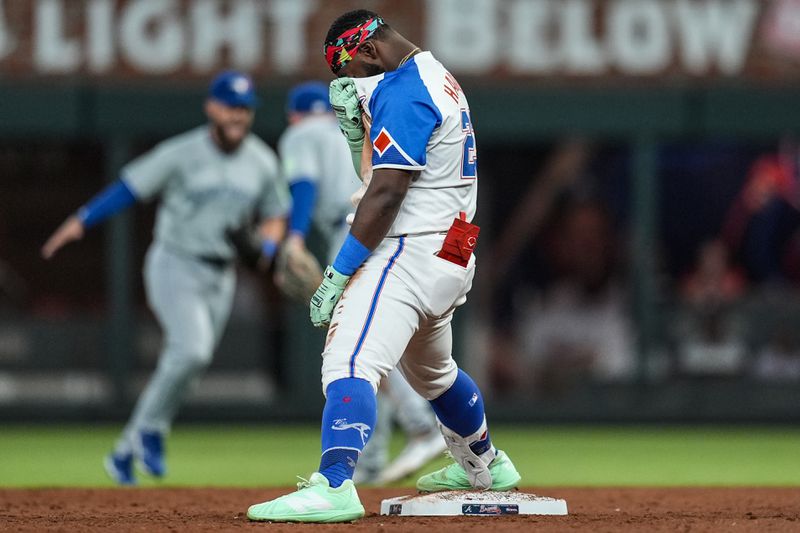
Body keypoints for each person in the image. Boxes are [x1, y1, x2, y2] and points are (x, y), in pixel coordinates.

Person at [247, 10, 520, 523]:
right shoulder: (435, 75)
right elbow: (388, 173)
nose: (356, 84)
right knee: (434, 372)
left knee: (348, 362)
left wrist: (339, 272)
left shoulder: (406, 88)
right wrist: (357, 138)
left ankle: (333, 486)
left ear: (368, 52)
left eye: (352, 71)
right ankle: (484, 463)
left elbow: (388, 192)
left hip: (408, 250)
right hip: (454, 250)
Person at [41, 71, 290, 485]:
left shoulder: (261, 160)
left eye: (244, 109)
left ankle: (124, 451)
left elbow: (276, 214)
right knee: (190, 351)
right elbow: (129, 187)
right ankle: (152, 432)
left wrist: (268, 246)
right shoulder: (181, 152)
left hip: (221, 274)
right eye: (231, 106)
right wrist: (81, 220)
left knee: (191, 361)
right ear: (212, 106)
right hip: (176, 263)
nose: (238, 116)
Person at [279, 81, 446, 486]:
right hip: (392, 228)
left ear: (294, 115)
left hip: (352, 231)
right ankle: (371, 459)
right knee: (377, 345)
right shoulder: (353, 130)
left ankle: (422, 427)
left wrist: (295, 236)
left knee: (356, 344)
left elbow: (304, 186)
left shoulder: (299, 133)